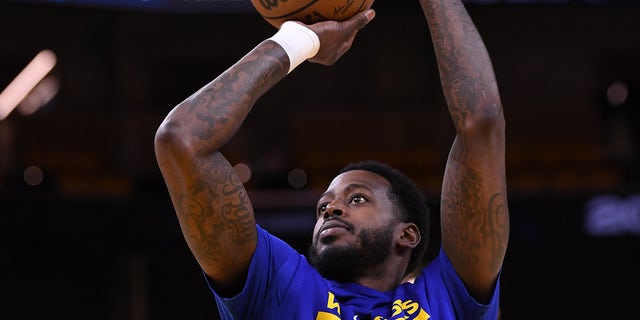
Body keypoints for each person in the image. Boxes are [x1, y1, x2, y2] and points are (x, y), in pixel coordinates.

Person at [154, 0, 509, 318]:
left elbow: (481, 122)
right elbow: (182, 141)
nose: (330, 210)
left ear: (408, 234)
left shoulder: (448, 299)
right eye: (323, 206)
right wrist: (298, 41)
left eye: (357, 198)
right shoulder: (277, 284)